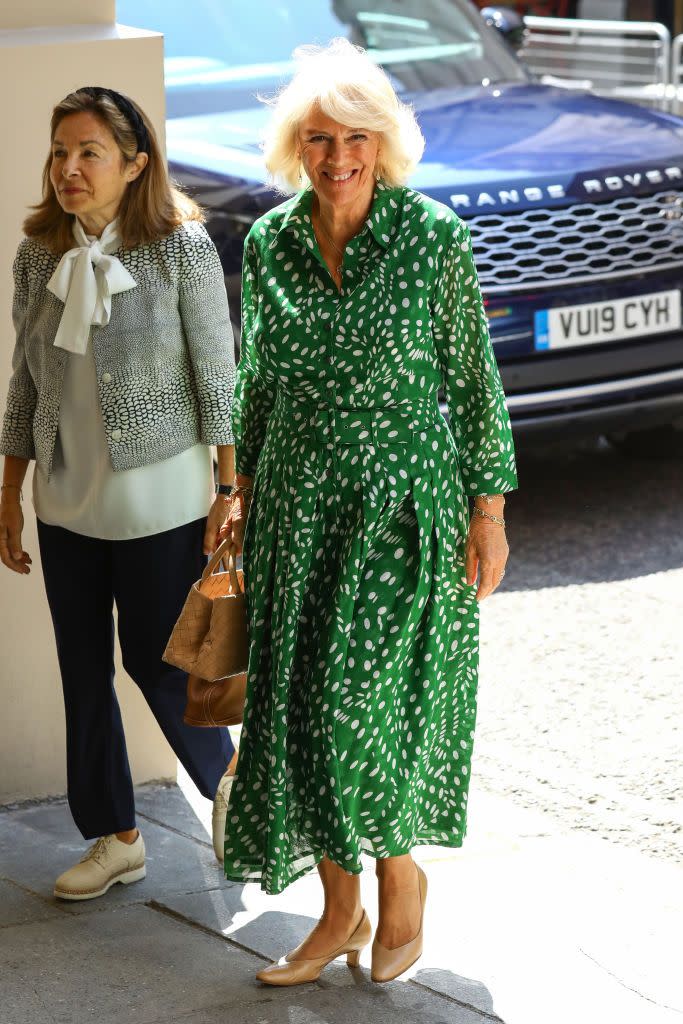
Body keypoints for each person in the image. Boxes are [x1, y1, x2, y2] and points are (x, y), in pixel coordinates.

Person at [220, 38, 518, 985]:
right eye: (317, 137)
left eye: (354, 136)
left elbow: (473, 380)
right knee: (302, 704)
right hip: (297, 513)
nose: (336, 154)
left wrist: (488, 510)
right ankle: (339, 910)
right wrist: (234, 492)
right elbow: (256, 378)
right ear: (293, 147)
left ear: (382, 144)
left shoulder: (431, 237)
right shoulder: (270, 243)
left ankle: (401, 882)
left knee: (366, 708)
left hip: (400, 510)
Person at [0, 87, 239, 901]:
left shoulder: (181, 249)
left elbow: (217, 373)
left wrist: (230, 486)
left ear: (135, 164)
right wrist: (10, 490)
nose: (69, 167)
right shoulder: (38, 255)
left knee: (158, 659)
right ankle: (116, 836)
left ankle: (231, 787)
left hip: (161, 499)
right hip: (66, 501)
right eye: (60, 151)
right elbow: (25, 387)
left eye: (89, 152)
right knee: (81, 670)